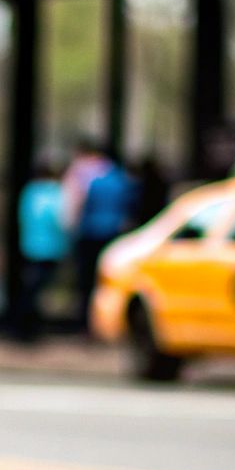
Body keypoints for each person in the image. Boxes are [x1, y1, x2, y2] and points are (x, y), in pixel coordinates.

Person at [62, 140, 137, 335]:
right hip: (113, 234)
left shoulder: (90, 179)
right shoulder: (120, 180)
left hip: (90, 233)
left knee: (86, 281)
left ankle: (86, 323)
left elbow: (77, 206)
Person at [18, 163, 68, 337]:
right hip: (51, 247)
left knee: (32, 286)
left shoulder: (30, 192)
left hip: (30, 246)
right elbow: (60, 219)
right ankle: (30, 325)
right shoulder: (55, 193)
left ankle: (27, 325)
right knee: (38, 288)